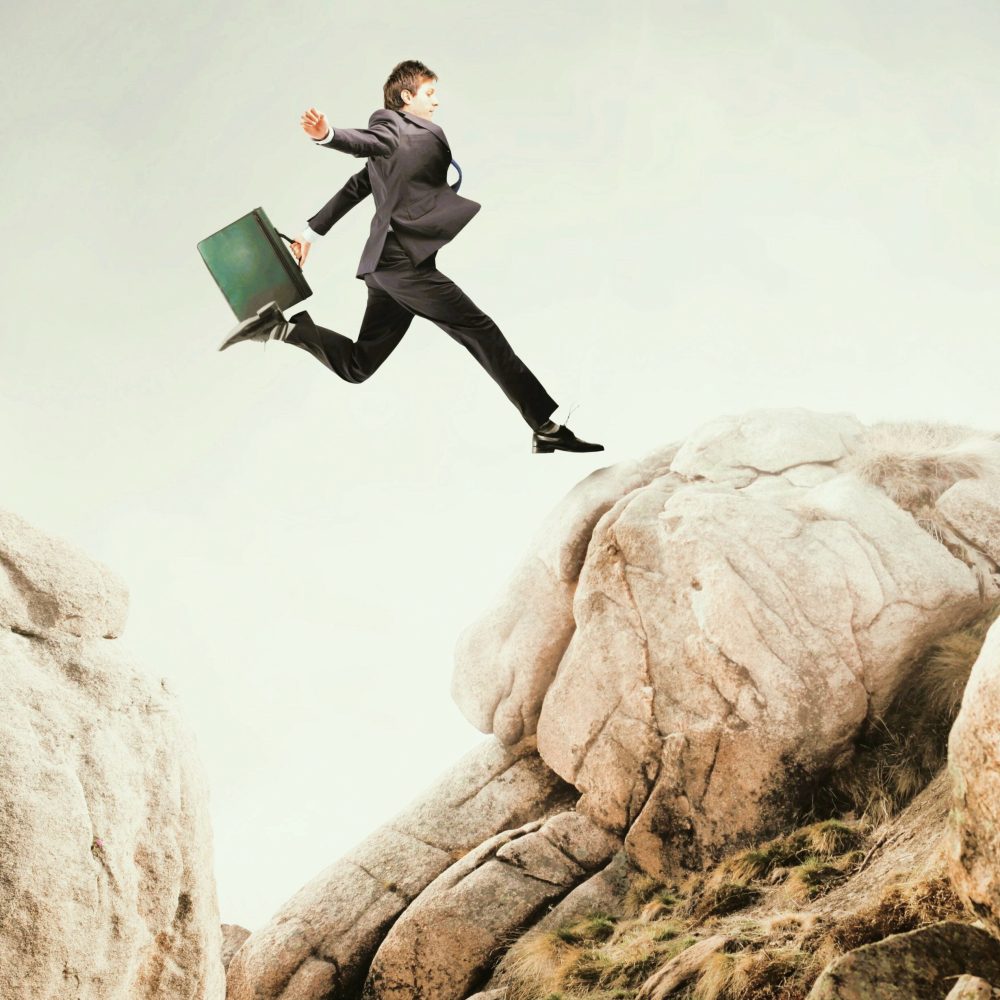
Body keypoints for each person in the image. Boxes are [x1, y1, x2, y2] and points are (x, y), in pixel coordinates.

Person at [219, 60, 602, 454]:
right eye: (429, 93)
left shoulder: (401, 146)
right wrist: (328, 135)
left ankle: (279, 328)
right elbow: (365, 142)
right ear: (407, 97)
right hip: (403, 265)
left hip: (388, 269)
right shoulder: (395, 129)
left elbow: (357, 186)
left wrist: (309, 233)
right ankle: (544, 425)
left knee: (357, 366)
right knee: (481, 331)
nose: (436, 101)